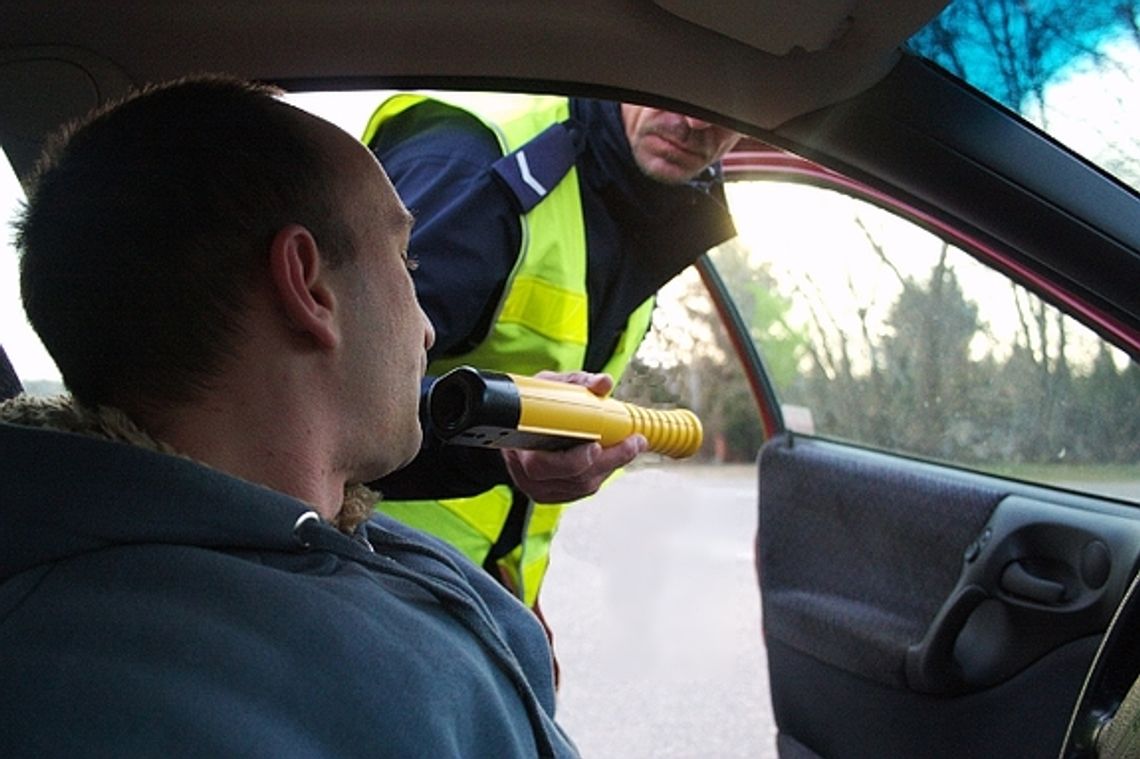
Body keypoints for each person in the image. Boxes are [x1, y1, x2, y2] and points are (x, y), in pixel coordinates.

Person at [0, 75, 577, 758]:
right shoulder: (119, 703)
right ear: (307, 284)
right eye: (404, 257)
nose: (425, 327)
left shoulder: (318, 534)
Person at [364, 92, 742, 610]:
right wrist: (495, 439)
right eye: (679, 85)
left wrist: (515, 598)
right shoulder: (476, 165)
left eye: (732, 108)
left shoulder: (650, 215)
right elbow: (322, 391)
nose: (696, 118)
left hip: (471, 593)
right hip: (356, 569)